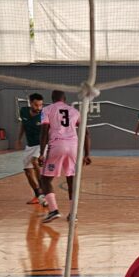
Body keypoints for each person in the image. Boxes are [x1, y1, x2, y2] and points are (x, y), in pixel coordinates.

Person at [39, 90, 91, 223]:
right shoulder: (74, 111)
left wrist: (41, 153)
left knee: (45, 180)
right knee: (71, 180)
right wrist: (87, 154)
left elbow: (44, 132)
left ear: (52, 98)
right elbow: (86, 133)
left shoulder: (47, 109)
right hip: (73, 147)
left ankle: (53, 210)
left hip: (57, 145)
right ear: (65, 99)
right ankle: (73, 214)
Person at [19, 93, 46, 204]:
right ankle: (38, 195)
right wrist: (18, 139)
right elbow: (23, 125)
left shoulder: (43, 115)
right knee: (27, 171)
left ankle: (43, 190)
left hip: (41, 144)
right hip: (29, 145)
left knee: (34, 162)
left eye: (41, 105)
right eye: (36, 105)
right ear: (30, 103)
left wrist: (44, 152)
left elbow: (47, 133)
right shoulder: (23, 111)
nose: (39, 108)